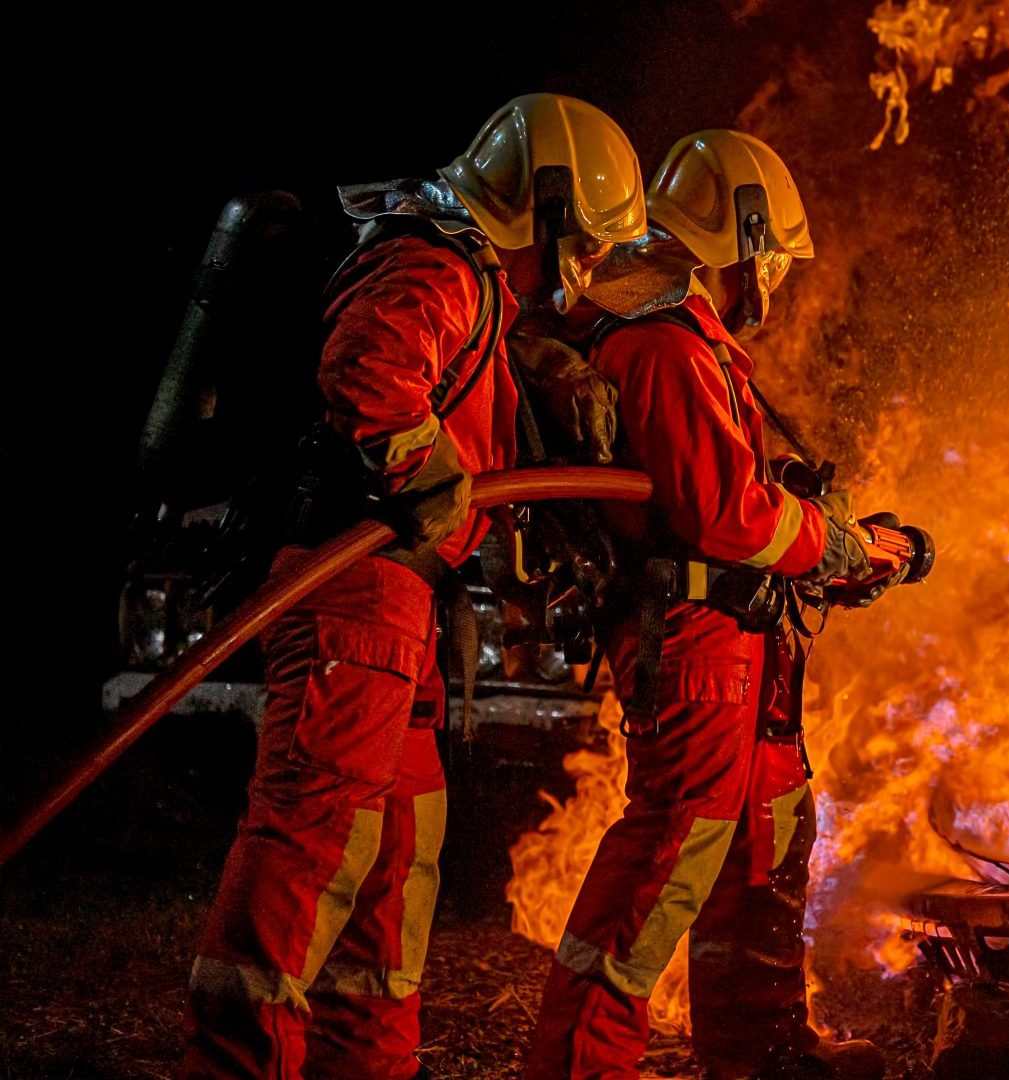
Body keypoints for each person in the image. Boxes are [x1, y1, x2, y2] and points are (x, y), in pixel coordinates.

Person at [182, 93, 646, 1080]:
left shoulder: (470, 280)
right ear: (546, 209)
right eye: (590, 240)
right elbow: (369, 375)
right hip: (356, 587)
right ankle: (235, 1066)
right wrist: (430, 471)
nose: (591, 264)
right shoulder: (435, 263)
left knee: (395, 856)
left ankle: (369, 1067)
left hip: (401, 603)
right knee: (310, 849)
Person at [525, 130, 896, 1080]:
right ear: (747, 237)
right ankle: (580, 1067)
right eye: (774, 258)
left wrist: (828, 546)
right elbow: (724, 515)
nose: (775, 279)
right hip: (694, 641)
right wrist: (836, 544)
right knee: (666, 861)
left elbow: (732, 501)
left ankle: (759, 1052)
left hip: (739, 636)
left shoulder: (686, 338)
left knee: (768, 833)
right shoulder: (661, 343)